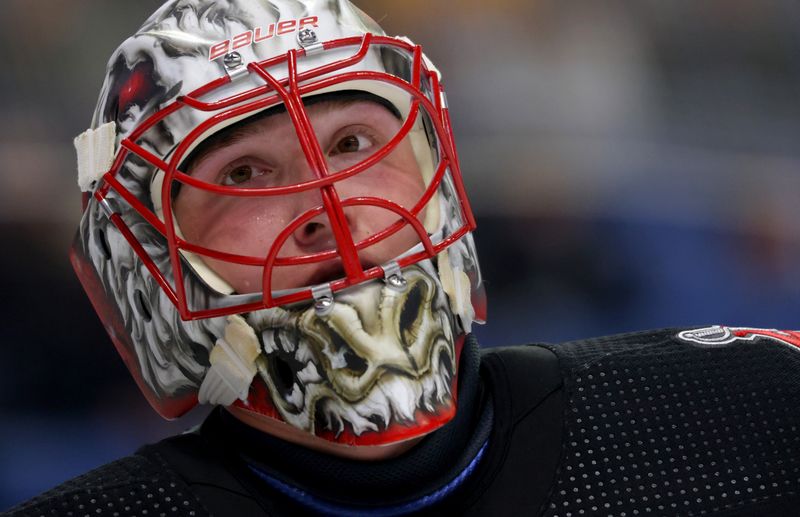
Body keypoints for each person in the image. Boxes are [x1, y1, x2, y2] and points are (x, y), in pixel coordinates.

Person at [7, 1, 800, 515]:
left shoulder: (753, 405)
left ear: (439, 176)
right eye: (245, 174)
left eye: (355, 143)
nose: (328, 208)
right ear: (149, 262)